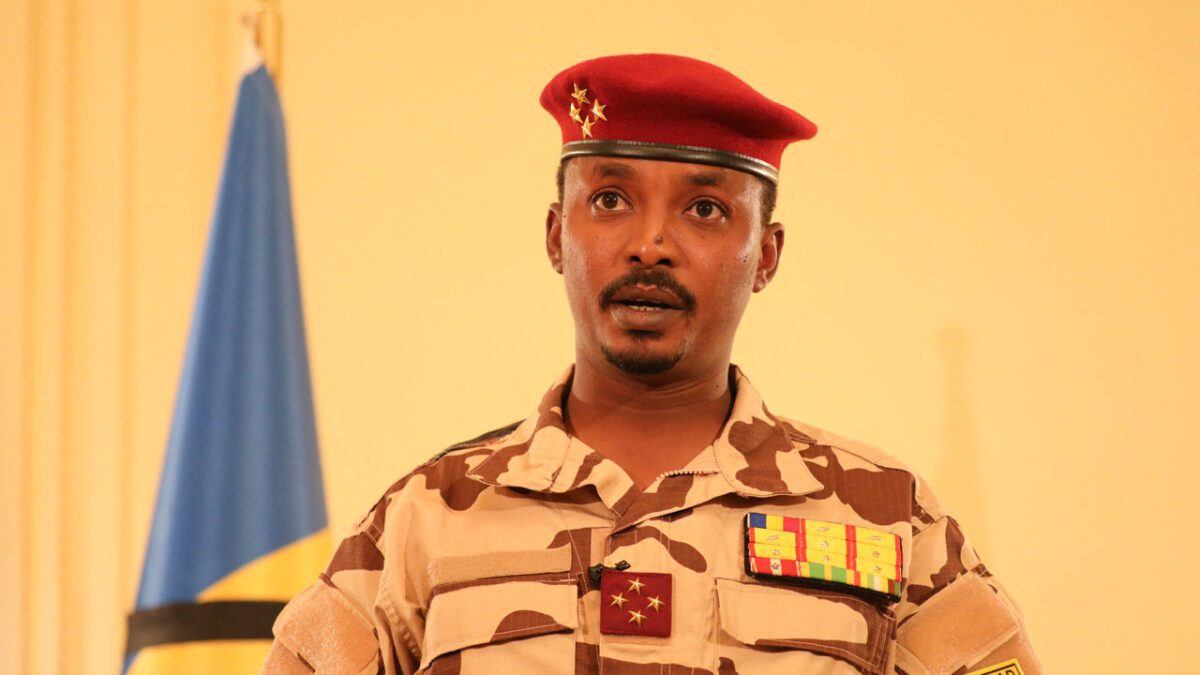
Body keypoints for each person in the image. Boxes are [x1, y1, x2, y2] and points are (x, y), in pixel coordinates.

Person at [262, 54, 1042, 675]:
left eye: (704, 208)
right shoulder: (426, 520)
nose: (650, 244)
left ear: (764, 254)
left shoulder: (887, 519)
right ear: (555, 236)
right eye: (609, 199)